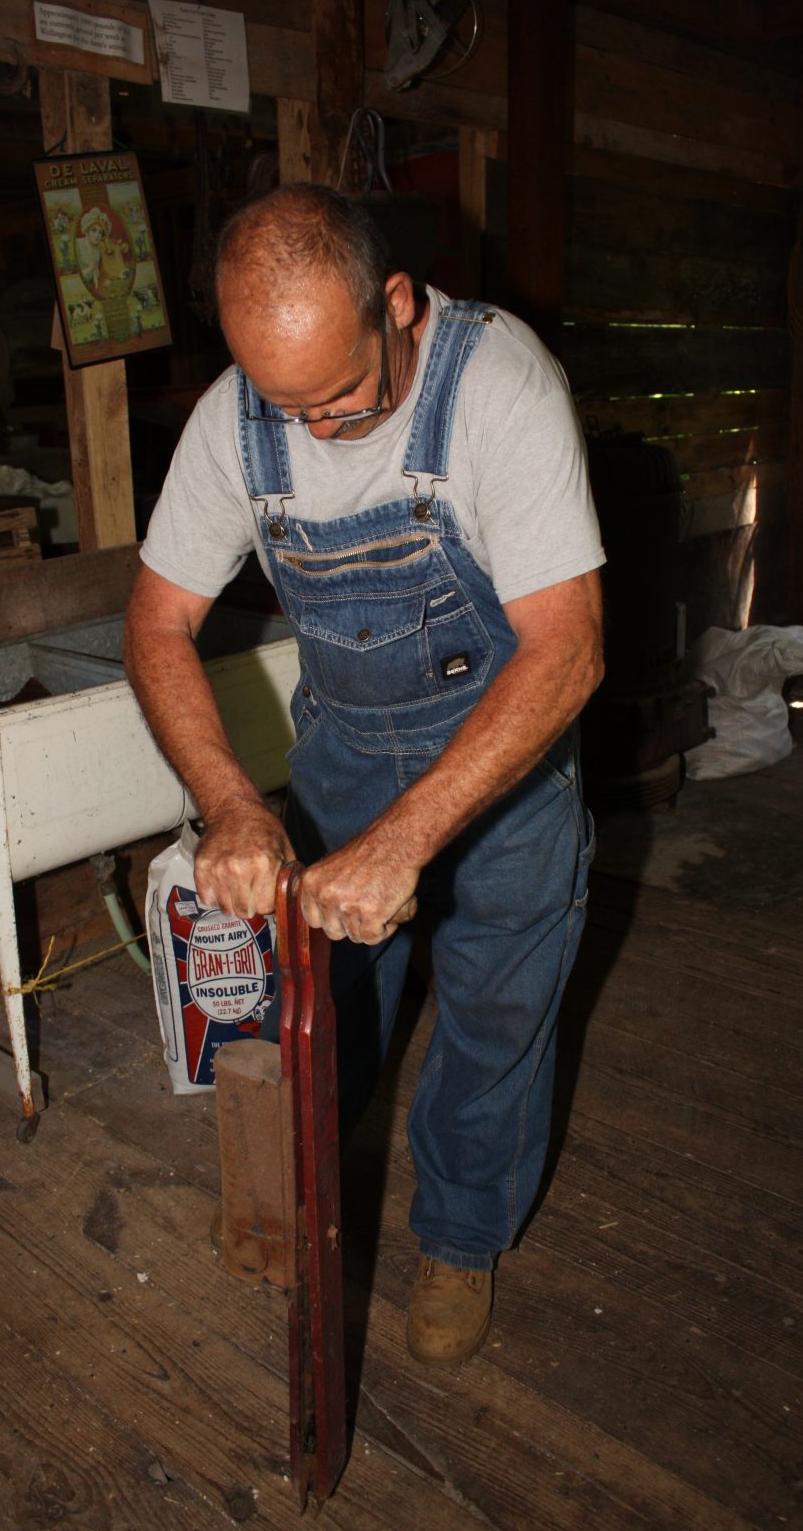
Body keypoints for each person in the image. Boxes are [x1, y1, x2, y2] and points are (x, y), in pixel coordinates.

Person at [124, 183, 604, 1367]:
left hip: (505, 760)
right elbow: (156, 622)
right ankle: (303, 1193)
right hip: (344, 748)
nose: (316, 433)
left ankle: (458, 1237)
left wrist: (406, 840)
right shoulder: (237, 420)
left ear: (394, 304)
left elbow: (567, 649)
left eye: (339, 400)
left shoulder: (499, 387)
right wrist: (232, 805)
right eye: (284, 406)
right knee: (323, 1010)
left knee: (493, 1015)